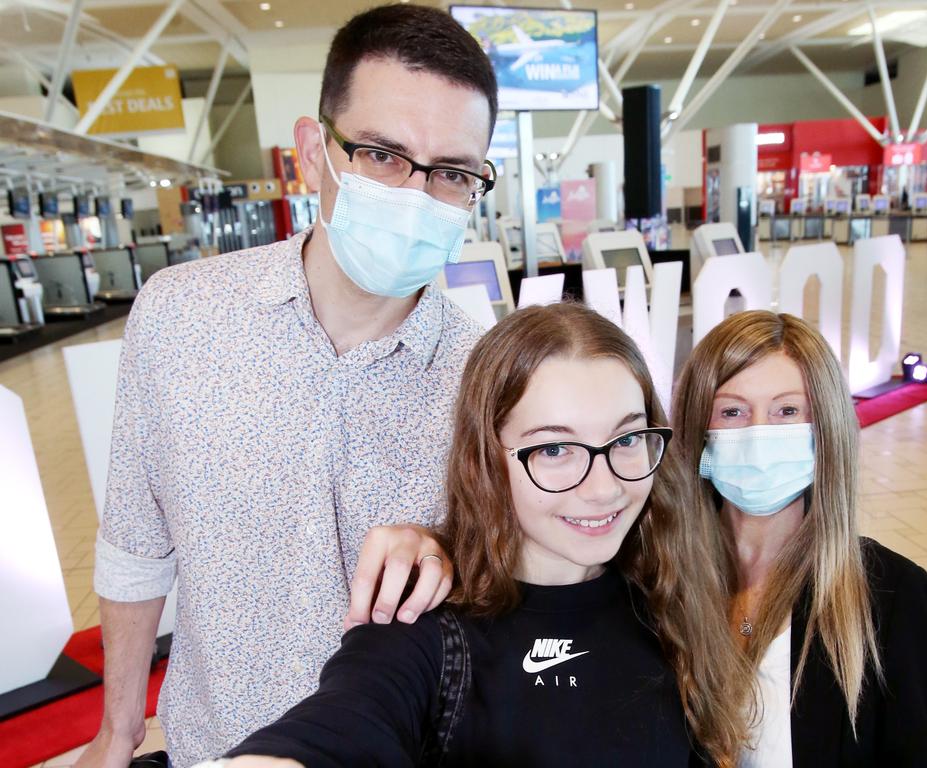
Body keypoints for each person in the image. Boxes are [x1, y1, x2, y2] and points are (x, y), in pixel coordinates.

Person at [79, 6, 499, 766]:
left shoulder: (490, 378)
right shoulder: (180, 317)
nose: (415, 193)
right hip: (218, 745)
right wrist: (118, 729)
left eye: (453, 173)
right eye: (381, 154)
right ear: (314, 151)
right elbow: (136, 544)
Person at [203, 303, 750, 767]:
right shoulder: (425, 632)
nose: (603, 488)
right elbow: (335, 725)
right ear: (486, 459)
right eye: (554, 449)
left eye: (627, 438)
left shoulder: (666, 594)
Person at [673, 311, 927, 766]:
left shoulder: (889, 595)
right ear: (699, 430)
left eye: (787, 411)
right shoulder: (658, 584)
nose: (760, 433)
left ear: (825, 430)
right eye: (732, 411)